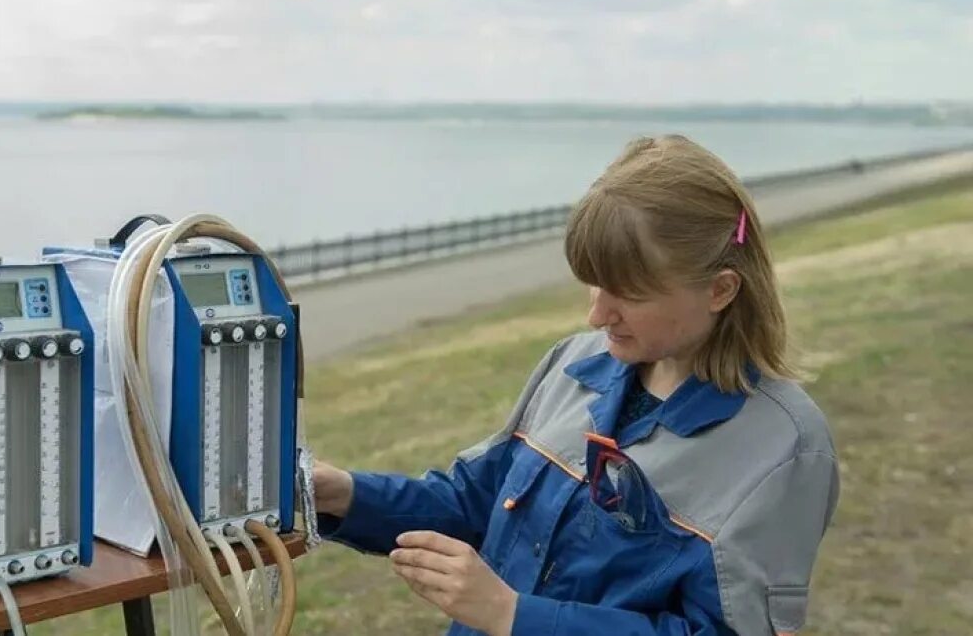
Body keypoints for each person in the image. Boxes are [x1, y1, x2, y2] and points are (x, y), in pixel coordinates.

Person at [313, 135, 840, 636]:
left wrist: (513, 615)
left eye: (628, 292)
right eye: (593, 281)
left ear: (720, 290)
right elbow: (475, 504)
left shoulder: (786, 448)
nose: (596, 315)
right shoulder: (573, 362)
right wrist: (344, 494)